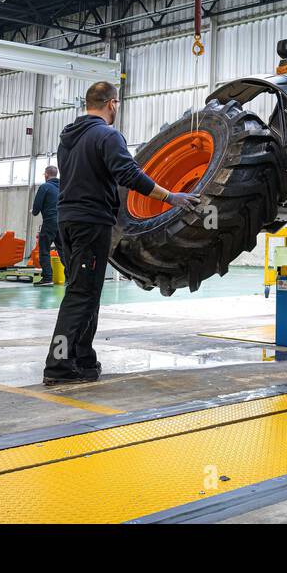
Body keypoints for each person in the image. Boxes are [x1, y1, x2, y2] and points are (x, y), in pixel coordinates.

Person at [42, 81, 200, 385]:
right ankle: (58, 365)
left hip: (68, 221)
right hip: (91, 222)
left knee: (86, 291)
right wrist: (171, 197)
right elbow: (128, 174)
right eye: (117, 105)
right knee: (80, 294)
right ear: (112, 103)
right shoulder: (107, 135)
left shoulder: (67, 140)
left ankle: (83, 359)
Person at [31, 165, 63, 286]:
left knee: (44, 249)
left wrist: (33, 211)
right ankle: (70, 277)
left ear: (46, 175)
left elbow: (36, 209)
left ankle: (47, 278)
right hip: (62, 223)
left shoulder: (45, 187)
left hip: (50, 222)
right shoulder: (63, 187)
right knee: (63, 250)